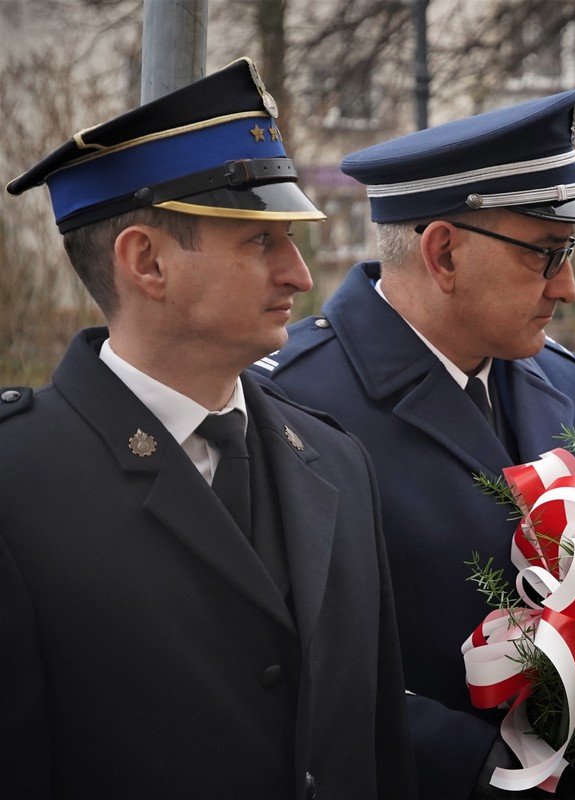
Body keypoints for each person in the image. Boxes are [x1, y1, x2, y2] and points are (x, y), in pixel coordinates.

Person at [1, 58, 415, 799]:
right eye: (260, 241)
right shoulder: (17, 482)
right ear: (146, 261)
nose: (298, 274)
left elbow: (379, 747)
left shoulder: (335, 461)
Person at [250, 91, 575, 799]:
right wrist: (481, 768)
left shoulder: (565, 382)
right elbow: (285, 662)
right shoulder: (288, 402)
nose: (567, 288)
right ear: (444, 252)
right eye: (548, 253)